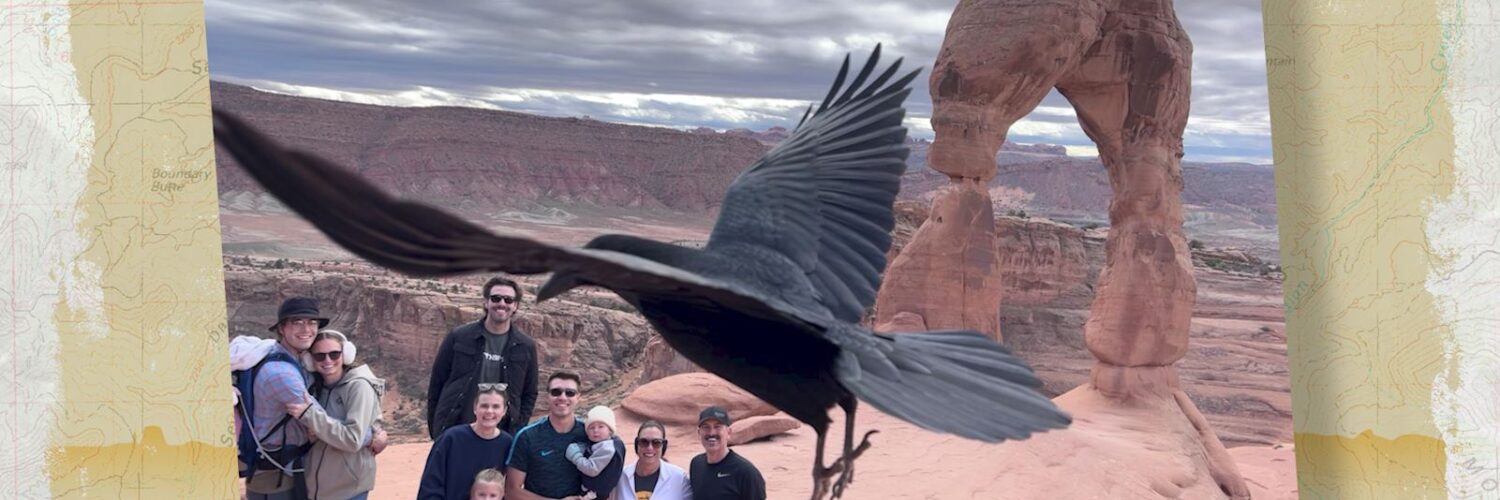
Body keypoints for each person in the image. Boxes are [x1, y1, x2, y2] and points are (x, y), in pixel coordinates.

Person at [429, 276, 540, 437]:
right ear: (486, 302)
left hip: (502, 435)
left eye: (508, 300)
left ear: (515, 306)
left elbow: (529, 393)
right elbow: (437, 383)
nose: (502, 303)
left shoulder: (526, 346)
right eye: (496, 298)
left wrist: (517, 429)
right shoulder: (459, 337)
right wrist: (436, 428)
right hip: (456, 428)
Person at [286, 330, 385, 500]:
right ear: (310, 360)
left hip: (348, 489)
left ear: (345, 354)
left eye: (334, 354)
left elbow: (352, 439)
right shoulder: (315, 387)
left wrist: (312, 417)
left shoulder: (359, 387)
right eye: (319, 356)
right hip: (317, 488)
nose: (327, 361)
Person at [244, 297, 325, 499]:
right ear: (281, 328)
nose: (306, 329)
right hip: (277, 477)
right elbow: (322, 422)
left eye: (312, 322)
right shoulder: (281, 374)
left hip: (277, 470)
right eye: (297, 322)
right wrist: (370, 437)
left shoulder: (281, 356)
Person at [418, 384, 516, 500]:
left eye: (496, 406)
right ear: (475, 408)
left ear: (504, 411)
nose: (489, 411)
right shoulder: (451, 439)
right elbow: (430, 487)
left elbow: (510, 488)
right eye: (484, 406)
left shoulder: (508, 444)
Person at [507, 371, 589, 500]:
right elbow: (512, 491)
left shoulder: (590, 433)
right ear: (547, 396)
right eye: (556, 392)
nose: (562, 397)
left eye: (570, 393)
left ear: (578, 397)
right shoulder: (527, 437)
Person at [688, 407, 765, 500]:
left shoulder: (746, 472)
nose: (711, 433)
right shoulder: (696, 464)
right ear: (699, 432)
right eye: (706, 427)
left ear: (728, 432)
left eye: (717, 427)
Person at [611, 420, 691, 500]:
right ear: (637, 444)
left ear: (664, 446)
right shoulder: (620, 477)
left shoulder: (679, 478)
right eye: (644, 442)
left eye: (656, 443)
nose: (650, 448)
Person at [566, 406, 626, 500]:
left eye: (601, 426)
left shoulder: (607, 449)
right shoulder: (604, 442)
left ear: (610, 430)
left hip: (595, 493)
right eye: (591, 427)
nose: (596, 430)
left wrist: (576, 456)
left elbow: (591, 469)